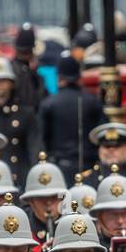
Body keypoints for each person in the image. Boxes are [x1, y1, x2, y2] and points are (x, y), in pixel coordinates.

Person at [38, 53, 104, 182]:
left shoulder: (48, 104)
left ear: (59, 78)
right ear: (79, 77)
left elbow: (41, 138)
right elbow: (101, 133)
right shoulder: (93, 102)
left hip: (59, 167)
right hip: (90, 166)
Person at [0, 55, 41, 183]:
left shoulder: (25, 114)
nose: (0, 84)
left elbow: (34, 149)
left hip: (18, 177)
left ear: (12, 83)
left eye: (4, 79)